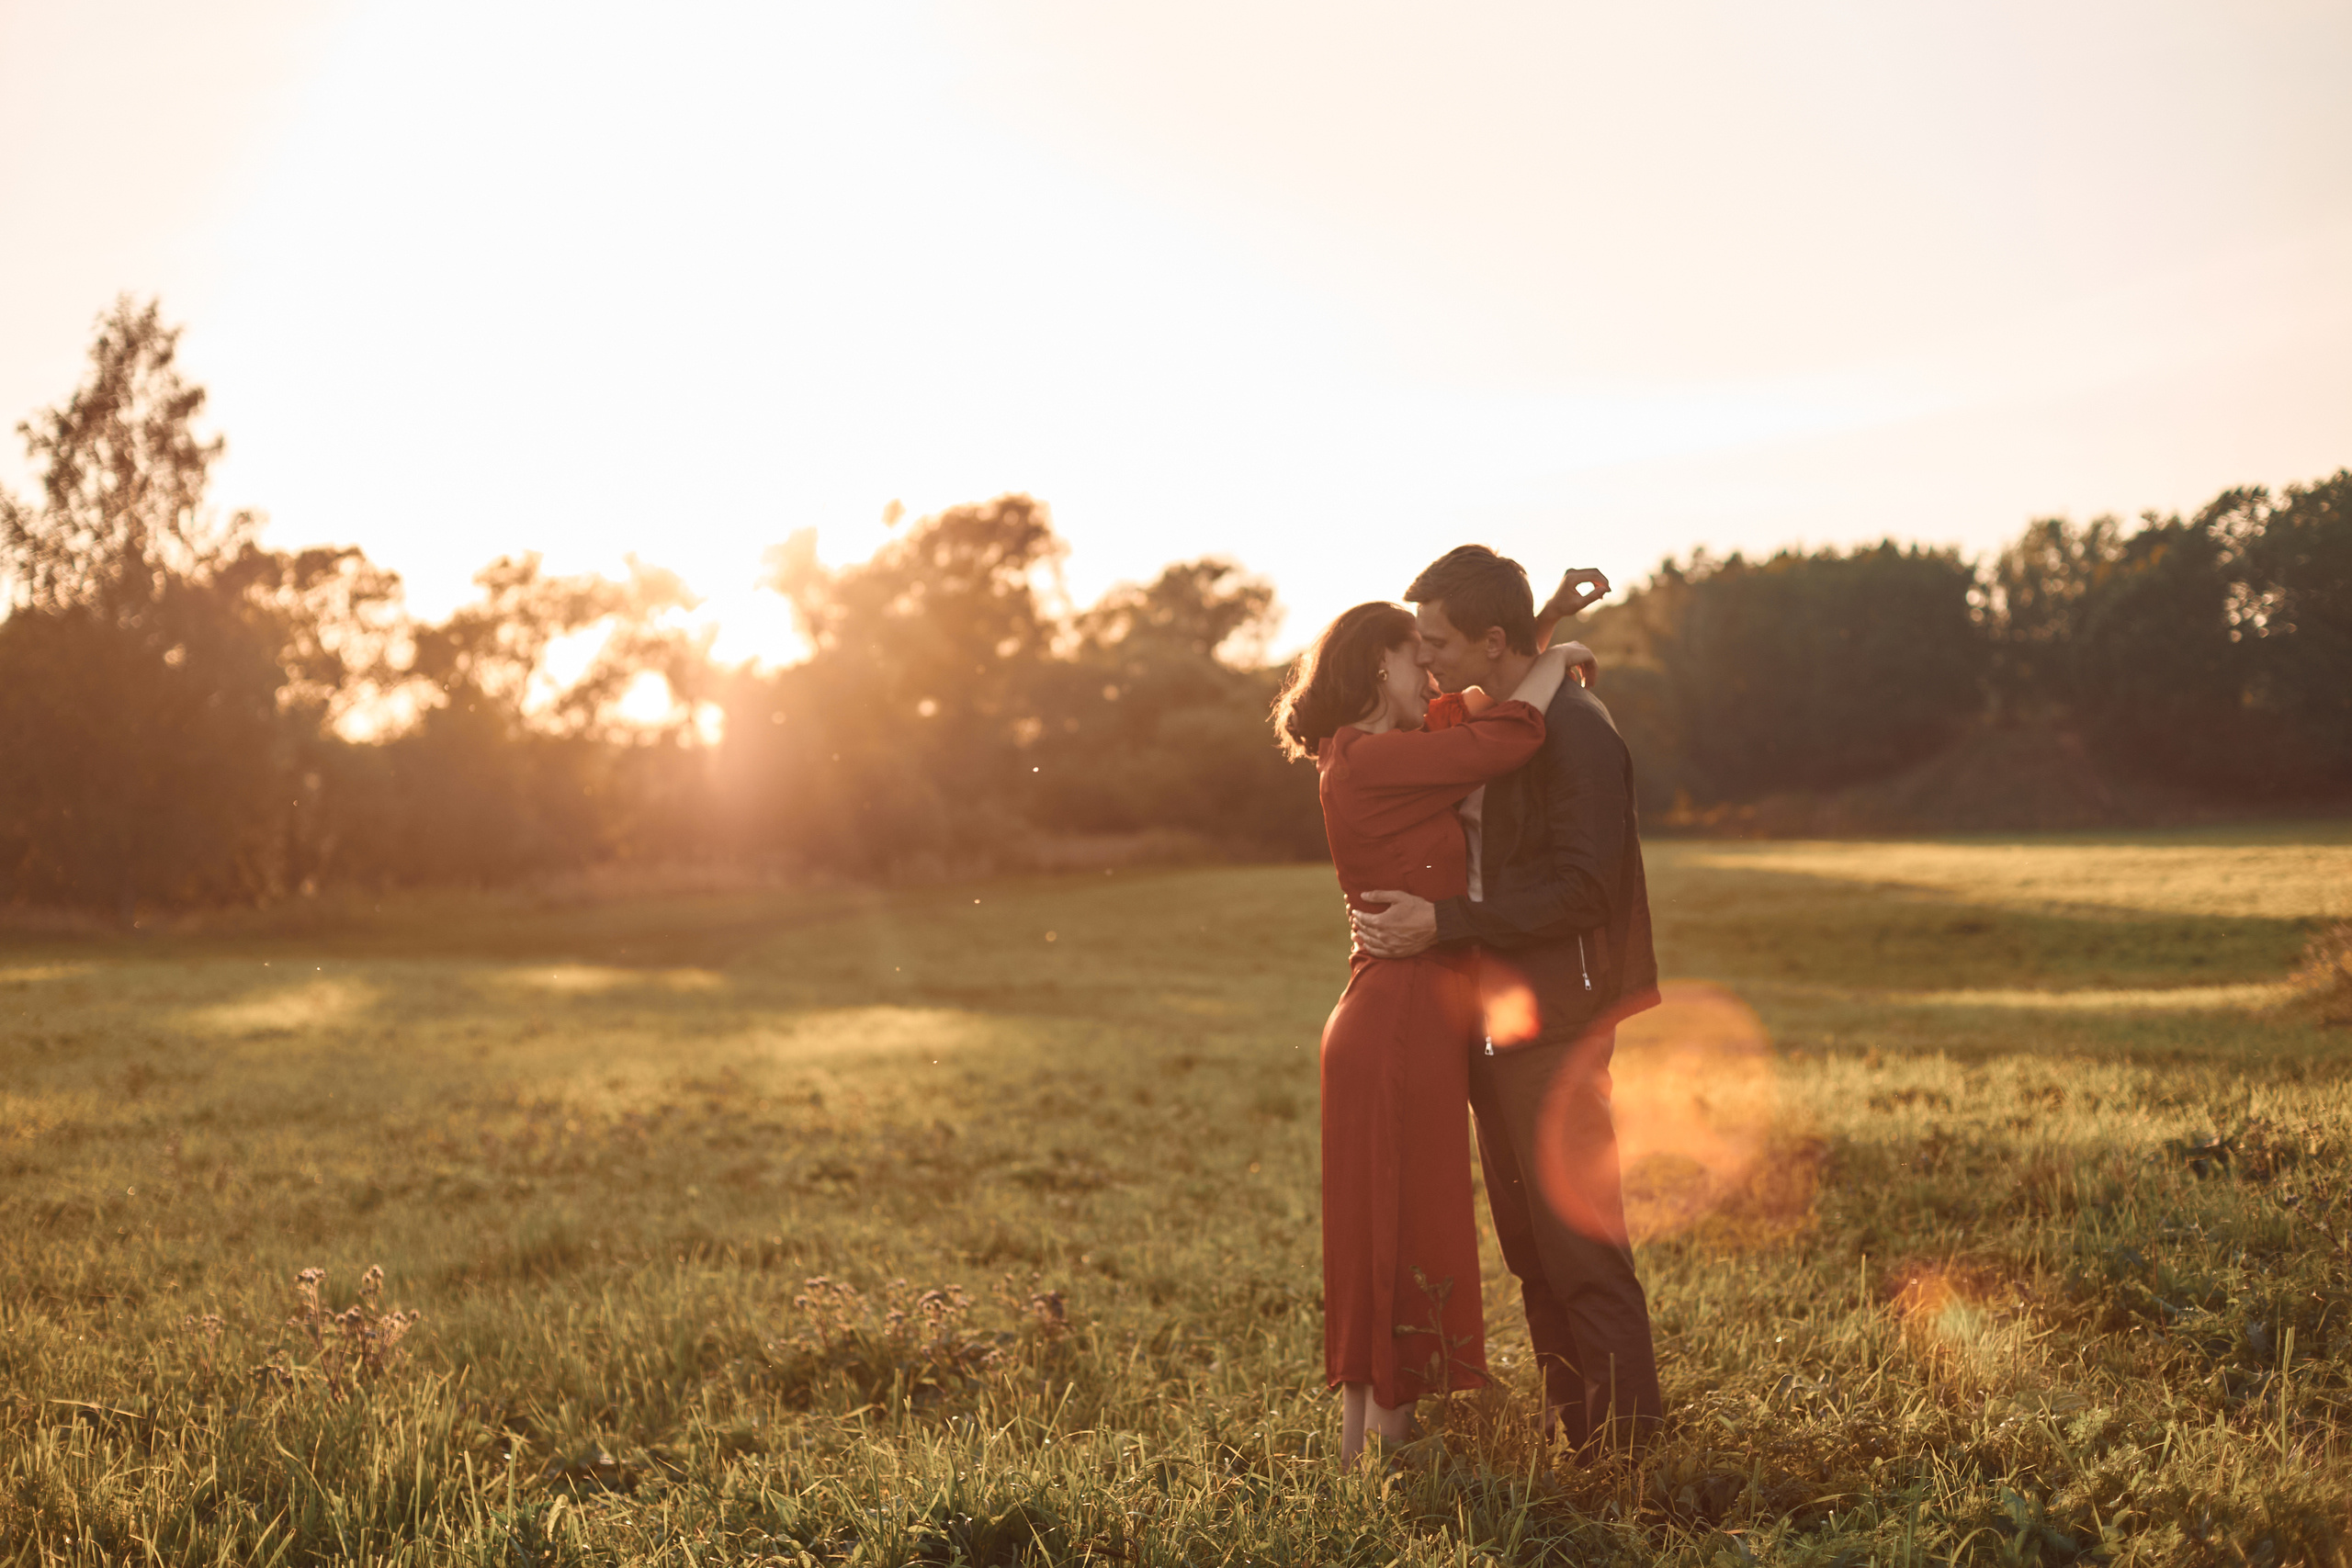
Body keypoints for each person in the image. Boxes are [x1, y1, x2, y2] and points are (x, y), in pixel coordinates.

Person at [1351, 546, 1665, 1454]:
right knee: (1529, 1246)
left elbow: (1585, 892)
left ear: (1487, 642)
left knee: (1579, 1243)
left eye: (1435, 641)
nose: (1426, 658)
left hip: (1558, 1019)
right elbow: (1507, 653)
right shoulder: (1498, 710)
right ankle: (1580, 1435)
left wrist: (1441, 924)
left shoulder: (1577, 731)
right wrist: (1550, 628)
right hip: (1494, 1017)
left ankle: (1632, 1452)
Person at [1271, 600, 1581, 1466]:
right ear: (1378, 667)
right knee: (1405, 1225)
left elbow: (1466, 709)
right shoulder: (1376, 762)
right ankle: (1392, 1456)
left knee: (1377, 1224)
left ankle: (1354, 1456)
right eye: (1417, 661)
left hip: (1382, 1014)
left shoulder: (1361, 754)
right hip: (1400, 1016)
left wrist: (1538, 629)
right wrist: (1564, 661)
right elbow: (1508, 735)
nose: (1431, 679)